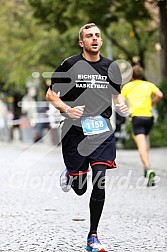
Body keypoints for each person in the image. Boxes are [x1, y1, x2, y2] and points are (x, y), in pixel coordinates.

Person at [46, 23, 128, 251]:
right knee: (81, 187)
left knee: (99, 180)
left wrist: (121, 106)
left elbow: (116, 94)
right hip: (75, 132)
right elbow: (51, 94)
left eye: (98, 35)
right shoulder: (70, 64)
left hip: (101, 132)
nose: (95, 39)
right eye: (89, 36)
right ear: (81, 42)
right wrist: (67, 110)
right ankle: (72, 173)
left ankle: (93, 235)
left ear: (101, 41)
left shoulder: (111, 67)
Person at [121, 65, 163, 186]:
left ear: (132, 76)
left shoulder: (128, 86)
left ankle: (148, 167)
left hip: (137, 118)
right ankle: (146, 166)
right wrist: (151, 103)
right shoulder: (148, 85)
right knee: (144, 141)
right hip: (149, 118)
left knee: (141, 145)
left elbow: (121, 101)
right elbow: (159, 95)